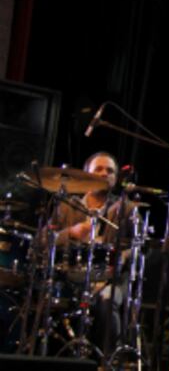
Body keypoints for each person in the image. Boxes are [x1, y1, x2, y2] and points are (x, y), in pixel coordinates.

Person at [54, 152, 135, 354]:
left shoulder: (126, 209)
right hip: (70, 276)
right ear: (85, 174)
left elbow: (138, 246)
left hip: (110, 279)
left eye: (110, 171)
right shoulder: (67, 206)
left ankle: (107, 359)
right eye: (98, 169)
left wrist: (120, 258)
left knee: (107, 300)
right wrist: (70, 233)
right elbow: (43, 240)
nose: (104, 174)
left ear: (115, 178)